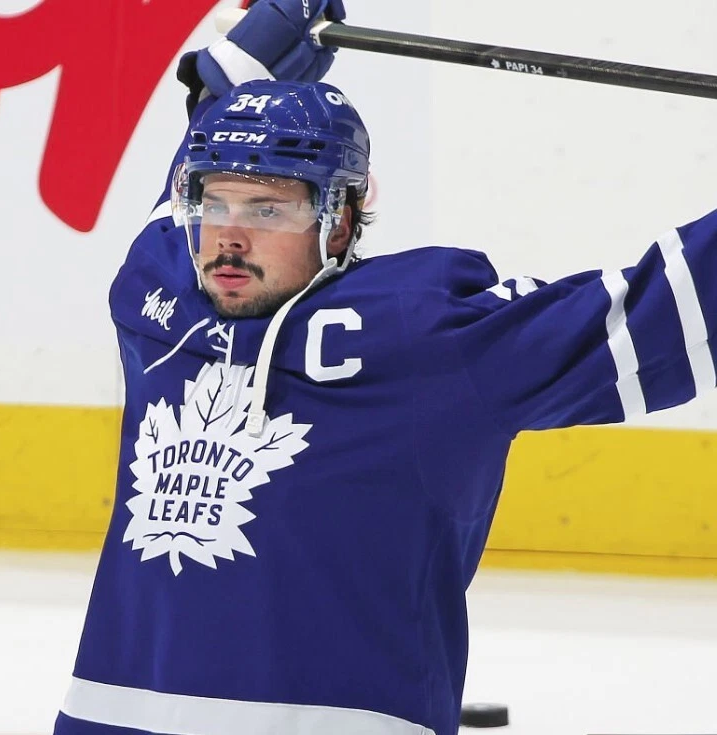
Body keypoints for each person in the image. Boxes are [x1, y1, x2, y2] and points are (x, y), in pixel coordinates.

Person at [54, 1, 717, 734]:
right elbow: (210, 127)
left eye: (269, 210)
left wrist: (247, 65)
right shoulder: (160, 291)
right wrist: (259, 52)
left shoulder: (427, 340)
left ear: (340, 219)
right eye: (215, 204)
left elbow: (665, 312)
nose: (230, 238)